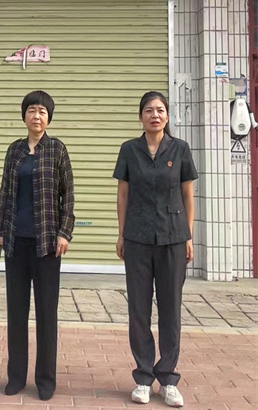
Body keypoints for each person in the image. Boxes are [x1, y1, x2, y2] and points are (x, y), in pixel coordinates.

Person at [113, 91, 197, 408]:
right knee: (138, 310)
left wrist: (188, 236)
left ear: (167, 116)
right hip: (137, 238)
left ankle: (169, 379)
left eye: (160, 110)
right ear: (141, 117)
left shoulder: (180, 149)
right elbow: (123, 195)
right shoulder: (129, 150)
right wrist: (122, 234)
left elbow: (188, 195)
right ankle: (144, 378)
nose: (155, 115)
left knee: (170, 309)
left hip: (173, 237)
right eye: (149, 110)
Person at [0, 90, 75, 401]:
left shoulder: (57, 149)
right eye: (31, 110)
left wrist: (64, 233)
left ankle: (45, 381)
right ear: (24, 115)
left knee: (46, 314)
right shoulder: (14, 151)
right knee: (16, 313)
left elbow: (68, 196)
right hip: (16, 242)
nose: (36, 116)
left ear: (48, 117)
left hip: (47, 245)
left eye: (42, 111)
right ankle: (16, 377)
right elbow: (4, 193)